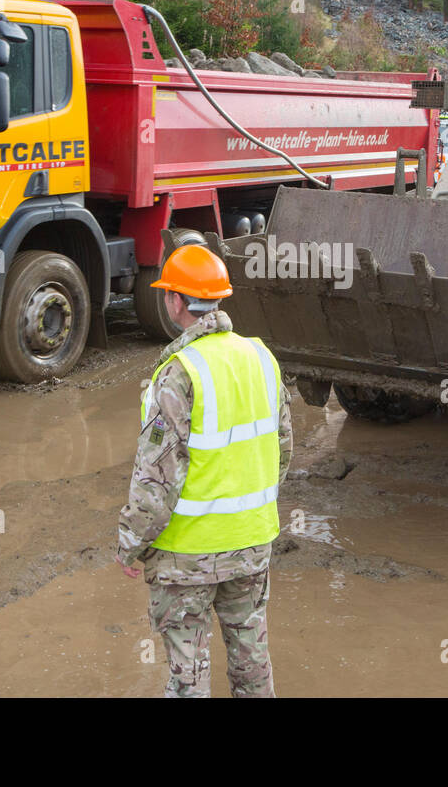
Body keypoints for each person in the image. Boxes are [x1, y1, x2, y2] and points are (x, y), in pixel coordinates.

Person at [116, 244, 292, 698]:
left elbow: (156, 478)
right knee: (252, 662)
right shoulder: (261, 358)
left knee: (188, 676)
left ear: (176, 301)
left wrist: (131, 543)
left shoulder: (179, 373)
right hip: (251, 545)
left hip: (185, 556)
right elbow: (282, 452)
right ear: (219, 299)